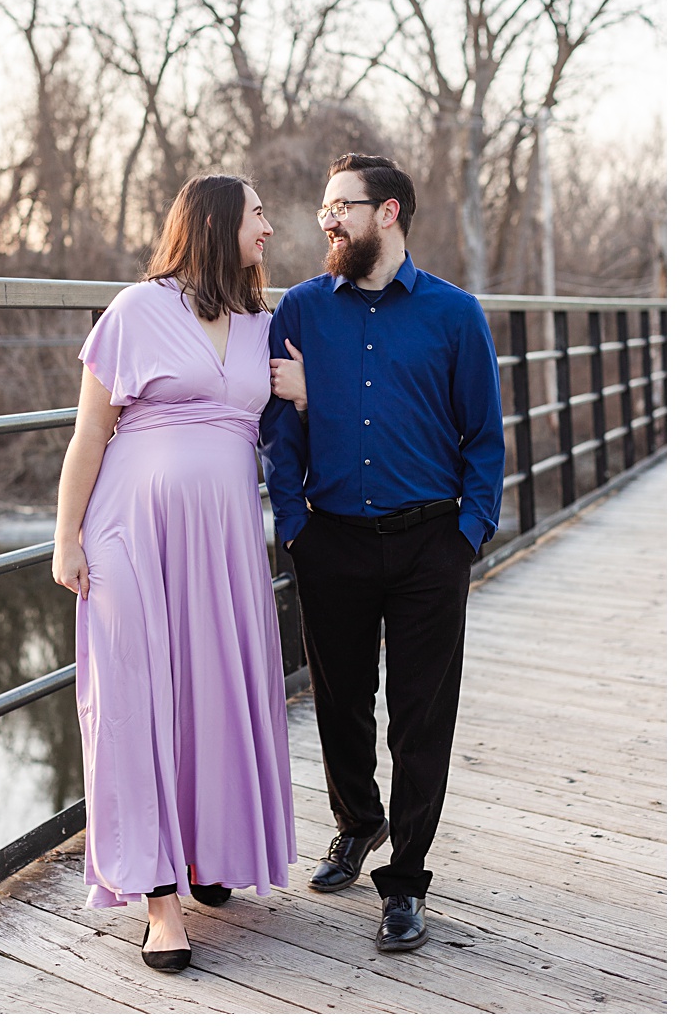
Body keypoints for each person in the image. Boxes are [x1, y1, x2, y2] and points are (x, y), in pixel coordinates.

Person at [52, 174, 297, 973]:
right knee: (137, 703)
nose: (270, 226)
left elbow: (292, 407)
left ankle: (209, 851)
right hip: (132, 534)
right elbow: (89, 436)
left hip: (225, 545)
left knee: (219, 693)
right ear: (221, 222)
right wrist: (67, 538)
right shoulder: (134, 310)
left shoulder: (264, 322)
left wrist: (311, 385)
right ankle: (159, 902)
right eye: (259, 213)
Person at [260, 153, 504, 953]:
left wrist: (467, 536)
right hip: (329, 538)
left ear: (389, 212)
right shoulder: (297, 310)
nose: (327, 220)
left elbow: (484, 438)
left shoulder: (455, 314)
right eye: (324, 207)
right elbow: (279, 430)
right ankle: (355, 826)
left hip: (432, 540)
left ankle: (406, 880)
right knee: (340, 703)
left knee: (422, 716)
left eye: (343, 206)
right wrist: (295, 522)